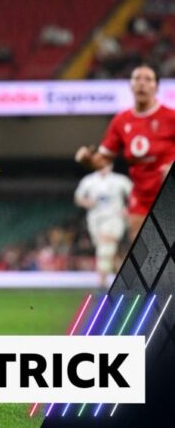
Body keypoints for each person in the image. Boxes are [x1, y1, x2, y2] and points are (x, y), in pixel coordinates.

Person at [75, 64, 175, 242]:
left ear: (156, 87)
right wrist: (86, 160)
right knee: (142, 246)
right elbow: (103, 160)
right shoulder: (121, 121)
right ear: (130, 85)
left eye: (148, 79)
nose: (142, 83)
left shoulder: (170, 117)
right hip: (141, 195)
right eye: (137, 79)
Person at [74, 165, 132, 289]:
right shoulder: (88, 180)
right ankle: (127, 279)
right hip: (95, 220)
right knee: (107, 251)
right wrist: (86, 202)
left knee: (105, 248)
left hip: (114, 218)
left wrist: (128, 209)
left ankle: (102, 281)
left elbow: (135, 195)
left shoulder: (120, 180)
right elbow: (78, 198)